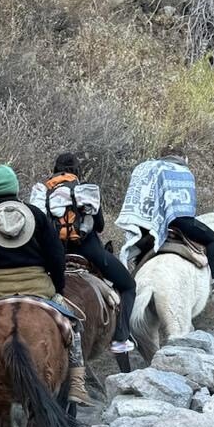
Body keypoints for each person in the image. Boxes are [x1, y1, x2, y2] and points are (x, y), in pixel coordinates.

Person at [0, 164, 90, 403]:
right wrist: (56, 288)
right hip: (37, 287)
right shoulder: (36, 215)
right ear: (16, 188)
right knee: (72, 326)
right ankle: (78, 385)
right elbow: (56, 257)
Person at [32, 152, 136, 355]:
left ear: (55, 170)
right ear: (77, 171)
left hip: (53, 253)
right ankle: (121, 338)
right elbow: (99, 225)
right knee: (128, 285)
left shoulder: (42, 191)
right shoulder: (84, 188)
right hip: (86, 248)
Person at [116, 150, 214, 292]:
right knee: (212, 239)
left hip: (148, 223)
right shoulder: (182, 172)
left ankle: (128, 283)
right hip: (179, 221)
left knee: (142, 249)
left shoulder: (153, 169)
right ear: (182, 158)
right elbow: (186, 206)